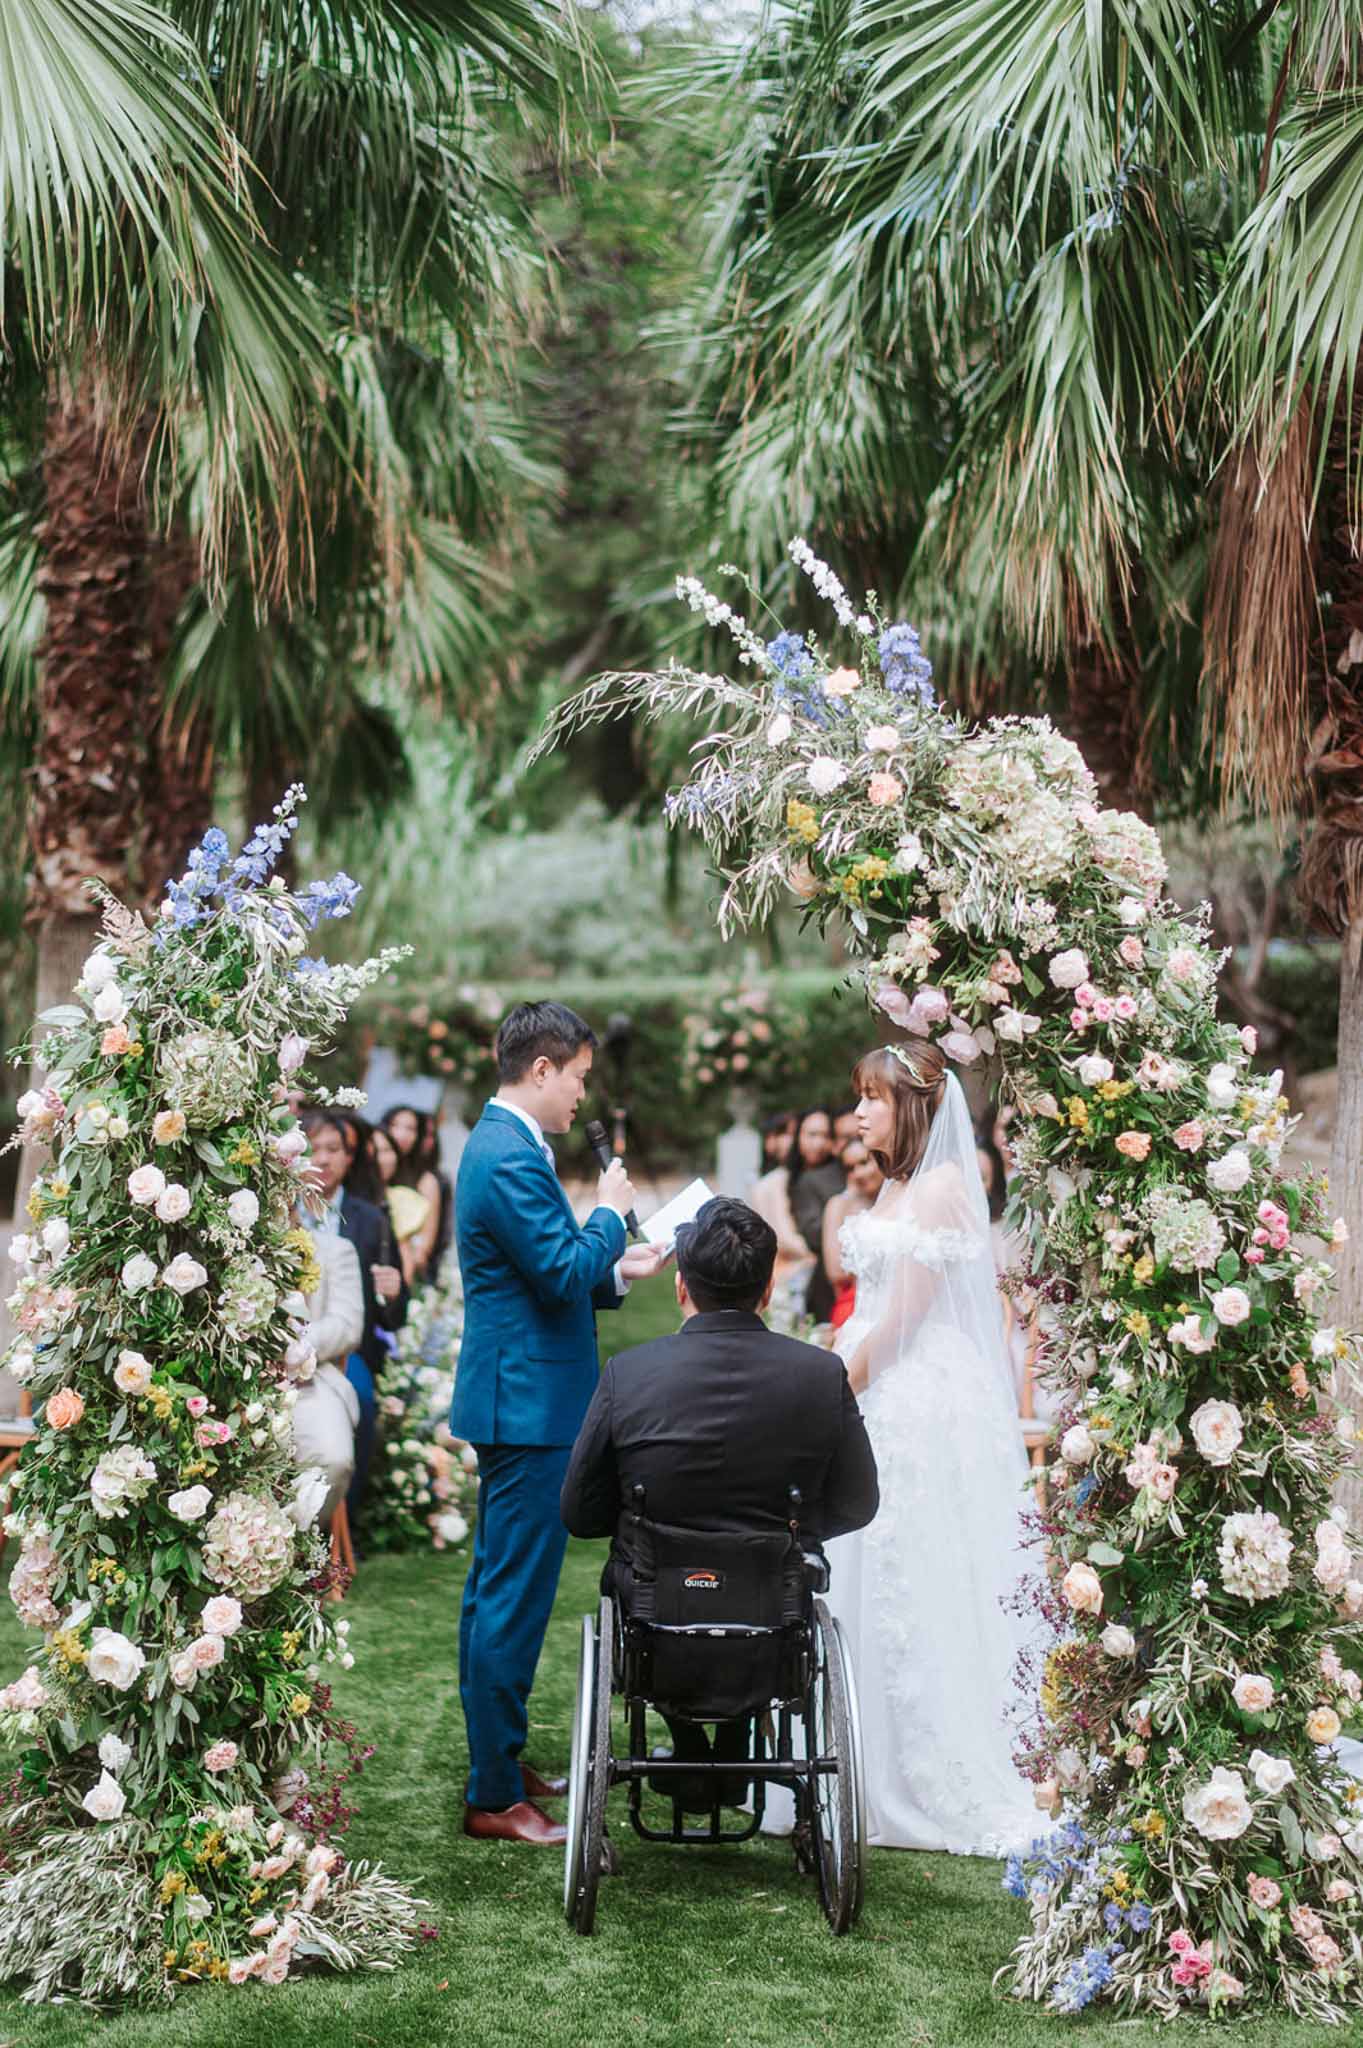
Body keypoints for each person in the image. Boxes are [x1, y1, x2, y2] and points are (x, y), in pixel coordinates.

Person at [561, 1197, 877, 1808]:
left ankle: (692, 1748)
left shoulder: (631, 1373)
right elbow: (859, 1500)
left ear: (682, 1286)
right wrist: (793, 1529)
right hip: (773, 1609)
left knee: (650, 1569)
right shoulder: (819, 1375)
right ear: (766, 1291)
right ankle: (731, 1744)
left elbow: (578, 1510)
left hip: (658, 1611)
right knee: (759, 1578)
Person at [453, 1001, 667, 1846]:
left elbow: (557, 1271)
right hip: (528, 1409)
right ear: (540, 1070)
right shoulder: (507, 1152)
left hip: (524, 1398)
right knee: (509, 1600)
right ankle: (494, 1796)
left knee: (495, 1593)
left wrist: (616, 1266)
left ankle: (499, 1768)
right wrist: (611, 1213)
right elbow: (552, 1271)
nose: (583, 1095)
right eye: (578, 1077)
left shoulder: (510, 1144)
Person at [829, 1039, 1037, 1854]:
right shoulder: (896, 1185)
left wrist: (829, 1386)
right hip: (876, 1380)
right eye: (857, 1098)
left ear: (912, 1103)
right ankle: (859, 1750)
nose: (856, 1113)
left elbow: (906, 1318)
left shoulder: (946, 1187)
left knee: (919, 1570)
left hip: (916, 1398)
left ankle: (929, 1768)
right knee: (868, 1569)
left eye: (870, 1099)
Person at [300, 1114, 409, 1522]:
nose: (323, 1159)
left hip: (349, 1349)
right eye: (314, 1149)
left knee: (360, 1398)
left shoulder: (370, 1219)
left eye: (334, 1150)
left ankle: (347, 1517)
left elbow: (394, 1314)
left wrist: (395, 1290)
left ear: (349, 1159)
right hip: (288, 1345)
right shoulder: (278, 1212)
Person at [291, 1226, 364, 1527]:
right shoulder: (227, 1247)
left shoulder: (334, 1249)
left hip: (311, 1378)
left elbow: (347, 1325)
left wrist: (299, 1342)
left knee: (333, 1458)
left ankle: (295, 1548)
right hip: (236, 1379)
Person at [749, 1113, 813, 1311]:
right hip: (790, 1275)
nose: (792, 1140)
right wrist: (815, 1255)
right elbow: (783, 1237)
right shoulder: (774, 1182)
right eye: (787, 1133)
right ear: (770, 1141)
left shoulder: (779, 1179)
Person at [786, 1107, 844, 1323]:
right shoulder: (800, 1180)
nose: (819, 1144)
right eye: (812, 1135)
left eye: (826, 1136)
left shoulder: (844, 1173)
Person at [821, 1138, 884, 1333]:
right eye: (850, 1168)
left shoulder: (901, 1199)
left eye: (864, 1163)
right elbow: (835, 1271)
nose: (858, 1173)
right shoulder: (839, 1205)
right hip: (854, 1303)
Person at [384, 1104, 445, 1285]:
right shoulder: (371, 1169)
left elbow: (425, 1244)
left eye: (410, 1129)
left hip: (403, 1270)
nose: (401, 1134)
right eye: (395, 1125)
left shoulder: (426, 1181)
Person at [371, 1124, 434, 1287]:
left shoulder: (405, 1201)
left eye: (387, 1150)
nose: (381, 1159)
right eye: (374, 1152)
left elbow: (409, 1262)